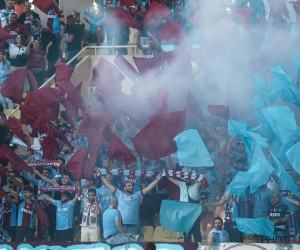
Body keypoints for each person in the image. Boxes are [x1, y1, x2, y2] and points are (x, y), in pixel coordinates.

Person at [99, 171, 162, 235]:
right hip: (122, 226)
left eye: (132, 185)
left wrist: (158, 179)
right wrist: (101, 175)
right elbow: (109, 185)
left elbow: (149, 188)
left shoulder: (137, 195)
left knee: (134, 244)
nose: (131, 187)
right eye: (129, 186)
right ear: (124, 188)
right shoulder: (119, 194)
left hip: (134, 227)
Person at [167, 174, 204, 242]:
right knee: (186, 235)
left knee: (197, 235)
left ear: (192, 179)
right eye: (185, 178)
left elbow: (201, 183)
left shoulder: (196, 186)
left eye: (188, 178)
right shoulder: (182, 185)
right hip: (185, 215)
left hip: (194, 215)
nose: (186, 180)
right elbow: (174, 180)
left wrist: (201, 178)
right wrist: (166, 173)